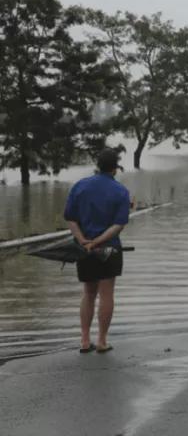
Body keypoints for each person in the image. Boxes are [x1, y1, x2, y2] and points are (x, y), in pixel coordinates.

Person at [63, 148, 130, 354]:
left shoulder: (80, 186)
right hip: (110, 249)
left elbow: (70, 219)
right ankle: (101, 341)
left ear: (97, 166)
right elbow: (118, 225)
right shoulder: (120, 191)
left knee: (88, 293)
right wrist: (98, 241)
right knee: (106, 293)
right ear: (115, 168)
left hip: (84, 250)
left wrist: (84, 241)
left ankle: (84, 340)